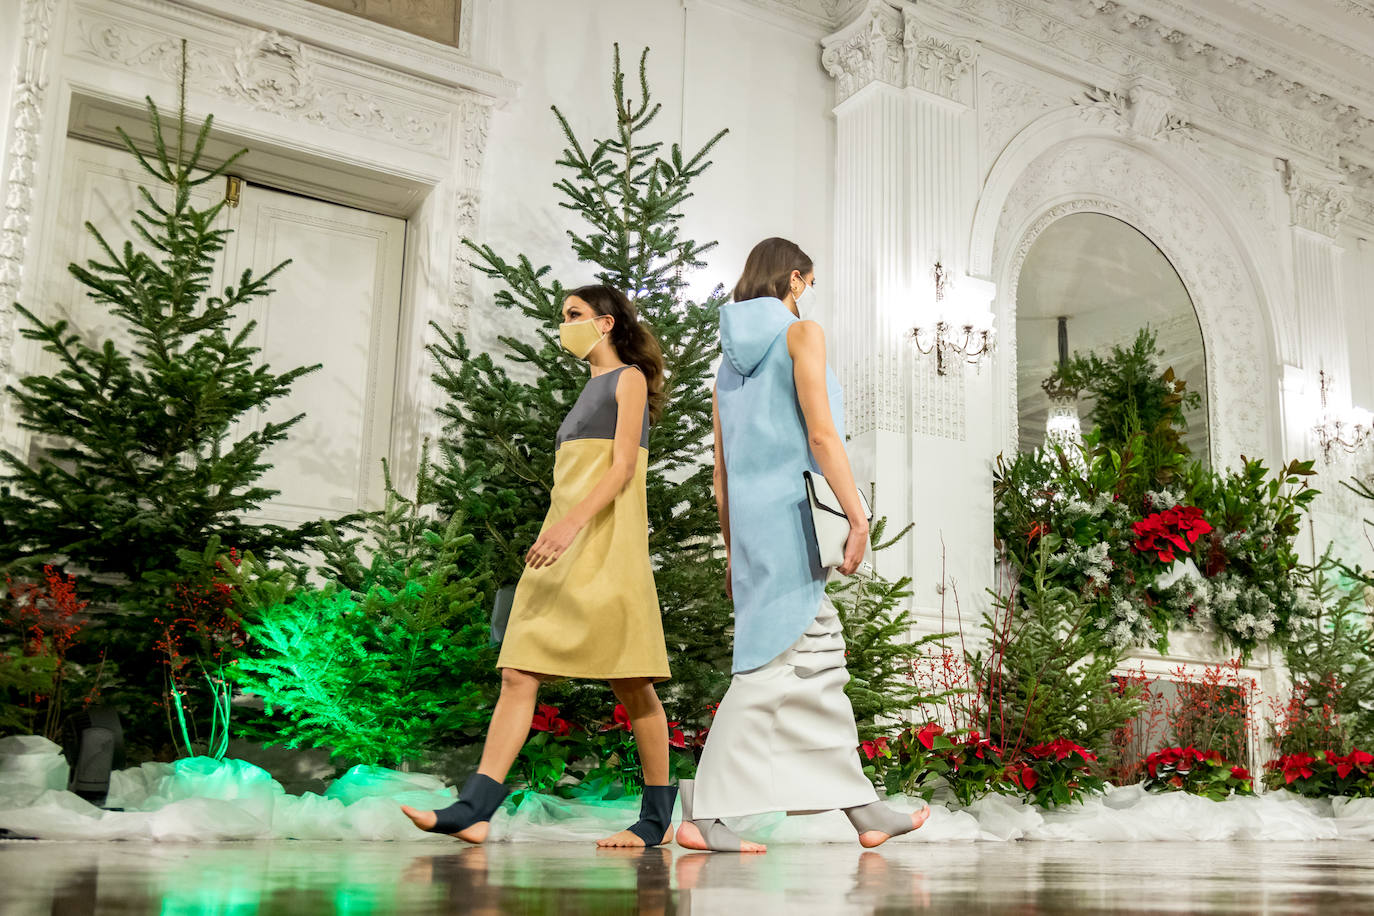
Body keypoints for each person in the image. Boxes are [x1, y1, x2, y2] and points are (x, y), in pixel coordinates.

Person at [675, 238, 930, 853]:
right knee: (771, 667)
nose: (807, 294)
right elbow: (821, 432)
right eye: (807, 283)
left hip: (755, 530)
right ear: (794, 278)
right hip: (793, 520)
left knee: (816, 661)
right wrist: (857, 514)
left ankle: (864, 810)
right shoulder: (801, 335)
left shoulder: (727, 366)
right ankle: (704, 811)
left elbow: (722, 470)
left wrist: (734, 553)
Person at [402, 285, 676, 848]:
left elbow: (623, 466)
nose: (564, 324)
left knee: (633, 683)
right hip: (563, 546)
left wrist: (570, 526)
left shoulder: (627, 379)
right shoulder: (589, 388)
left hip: (602, 547)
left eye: (573, 315)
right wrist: (561, 529)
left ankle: (654, 821)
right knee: (519, 668)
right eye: (562, 316)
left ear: (605, 323)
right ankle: (476, 808)